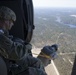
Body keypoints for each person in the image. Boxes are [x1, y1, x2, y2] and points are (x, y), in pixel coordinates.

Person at [0, 6, 47, 75]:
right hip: (8, 69)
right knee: (39, 73)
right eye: (12, 21)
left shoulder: (2, 33)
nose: (12, 24)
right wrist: (27, 46)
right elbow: (17, 53)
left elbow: (8, 40)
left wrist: (18, 42)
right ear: (6, 19)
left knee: (36, 62)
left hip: (6, 63)